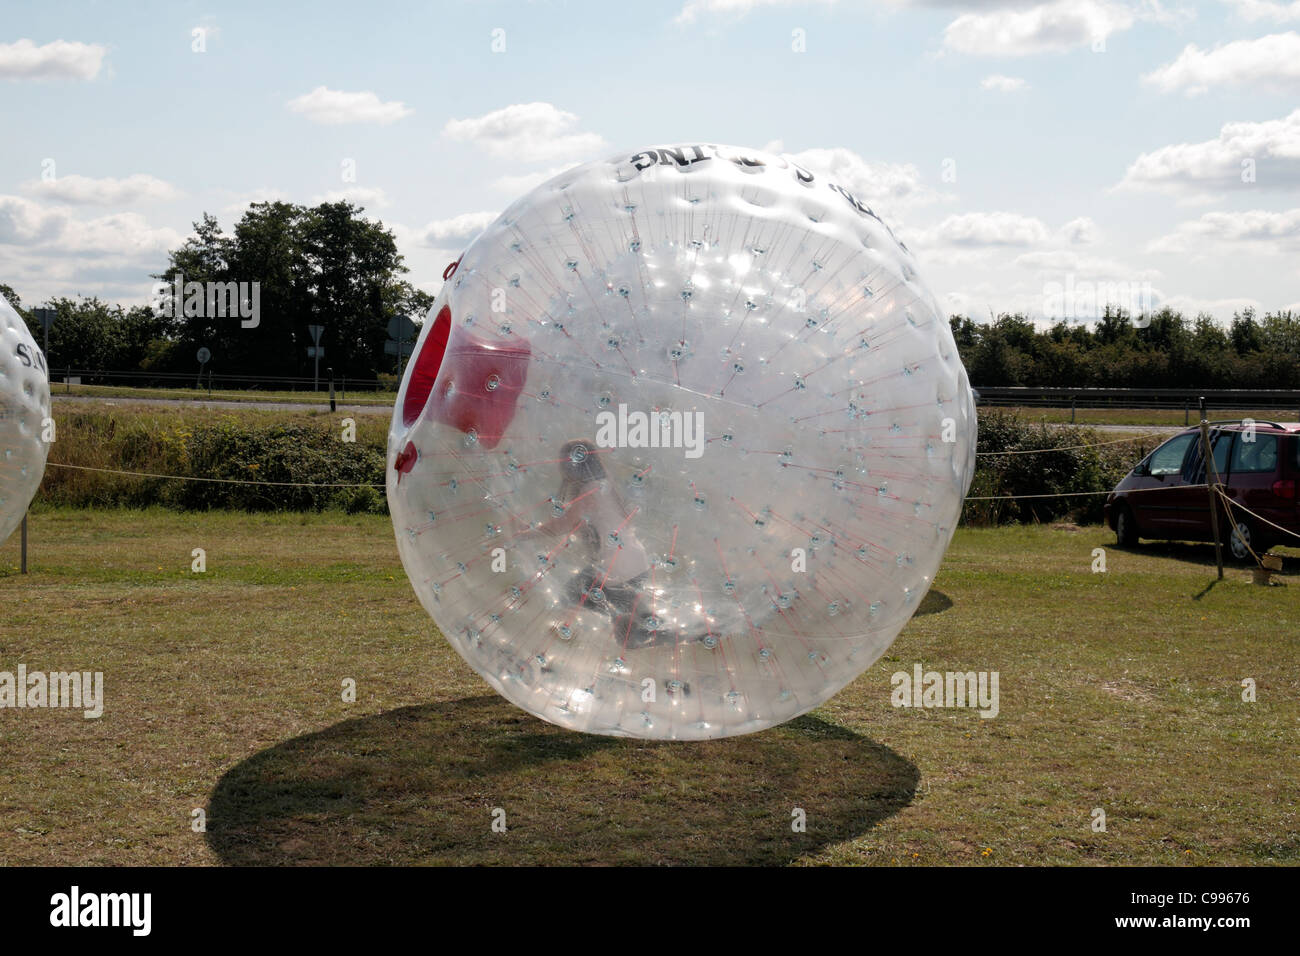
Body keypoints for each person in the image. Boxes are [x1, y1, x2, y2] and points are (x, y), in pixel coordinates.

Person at [513, 439, 661, 648]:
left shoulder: (590, 491)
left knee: (570, 595)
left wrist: (524, 534)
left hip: (616, 569)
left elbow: (562, 525)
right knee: (628, 635)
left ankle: (549, 647)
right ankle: (681, 634)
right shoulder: (607, 485)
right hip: (635, 563)